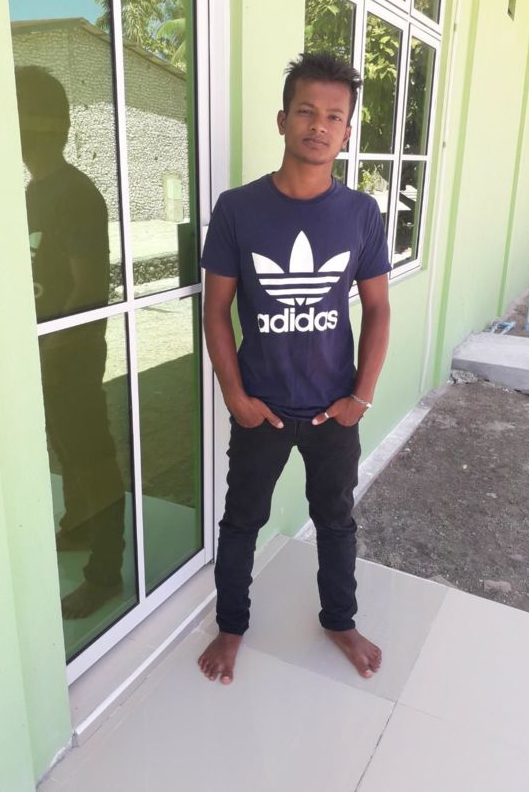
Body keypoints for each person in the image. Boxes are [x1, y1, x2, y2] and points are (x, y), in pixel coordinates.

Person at [198, 52, 391, 684]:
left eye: (333, 116)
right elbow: (216, 311)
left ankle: (340, 620)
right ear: (282, 120)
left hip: (334, 409)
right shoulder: (237, 209)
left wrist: (361, 397)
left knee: (335, 522)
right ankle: (231, 627)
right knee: (241, 523)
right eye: (306, 111)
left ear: (347, 132)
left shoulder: (361, 214)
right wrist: (235, 396)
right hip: (263, 408)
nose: (319, 125)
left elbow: (378, 308)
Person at [15, 65, 126, 619]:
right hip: (43, 353)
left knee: (91, 458)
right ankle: (78, 526)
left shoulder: (77, 195)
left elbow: (88, 291)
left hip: (71, 355)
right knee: (66, 445)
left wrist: (50, 353)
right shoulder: (33, 192)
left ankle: (106, 572)